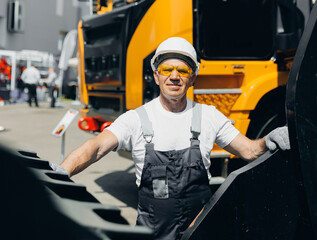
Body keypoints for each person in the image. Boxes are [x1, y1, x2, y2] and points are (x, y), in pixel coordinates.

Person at [51, 37, 290, 240]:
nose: (174, 76)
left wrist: (269, 139)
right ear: (156, 76)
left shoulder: (207, 116)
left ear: (193, 77)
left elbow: (248, 150)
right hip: (152, 234)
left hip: (199, 231)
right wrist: (62, 172)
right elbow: (96, 147)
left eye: (183, 70)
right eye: (167, 70)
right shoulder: (137, 119)